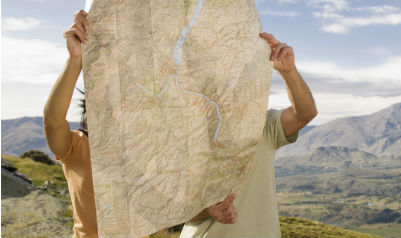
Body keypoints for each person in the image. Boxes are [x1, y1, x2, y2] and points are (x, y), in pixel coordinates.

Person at [45, 10, 315, 238]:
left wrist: (209, 210)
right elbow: (53, 121)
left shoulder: (154, 152)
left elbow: (173, 208)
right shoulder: (77, 149)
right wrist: (75, 61)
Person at [178, 32, 317, 237]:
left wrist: (289, 71)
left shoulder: (262, 123)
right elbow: (170, 209)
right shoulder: (180, 132)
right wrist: (207, 210)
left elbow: (305, 113)